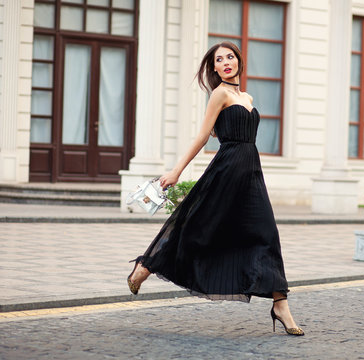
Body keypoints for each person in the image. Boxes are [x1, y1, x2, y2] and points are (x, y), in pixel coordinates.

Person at [127, 41, 304, 336]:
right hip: (226, 171)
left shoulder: (246, 96)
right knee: (198, 228)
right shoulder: (220, 94)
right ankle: (146, 267)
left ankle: (280, 304)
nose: (225, 63)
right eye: (218, 60)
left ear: (238, 61)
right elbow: (202, 136)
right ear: (214, 68)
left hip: (251, 174)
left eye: (229, 57)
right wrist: (175, 171)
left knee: (267, 234)